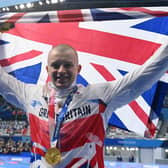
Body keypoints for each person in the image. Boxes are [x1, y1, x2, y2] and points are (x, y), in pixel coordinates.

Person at [0, 43, 168, 168]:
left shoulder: (100, 96)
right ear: (47, 69)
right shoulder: (30, 95)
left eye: (68, 65)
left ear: (78, 68)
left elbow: (144, 75)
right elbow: (3, 81)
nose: (61, 70)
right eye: (55, 65)